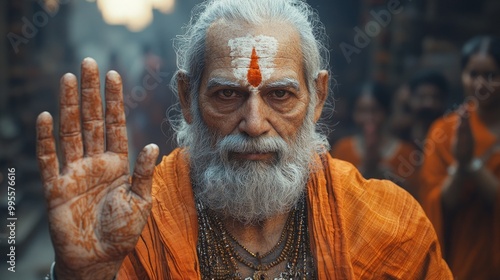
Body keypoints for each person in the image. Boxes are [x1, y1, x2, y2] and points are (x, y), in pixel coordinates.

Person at [36, 0, 452, 279]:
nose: (254, 123)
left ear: (317, 98)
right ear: (187, 98)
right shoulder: (137, 226)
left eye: (280, 95)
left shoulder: (389, 223)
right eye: (227, 95)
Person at [419, 35, 500, 279]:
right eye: (473, 74)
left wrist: (471, 164)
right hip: (456, 259)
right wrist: (462, 165)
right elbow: (436, 204)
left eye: (491, 76)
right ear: (462, 75)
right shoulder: (443, 131)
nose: (480, 84)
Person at [330, 82, 417, 195]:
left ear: (386, 112)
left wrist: (388, 176)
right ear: (353, 113)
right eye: (362, 111)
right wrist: (362, 172)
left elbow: (415, 197)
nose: (369, 118)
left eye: (375, 110)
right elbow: (333, 192)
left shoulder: (406, 152)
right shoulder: (343, 149)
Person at [407, 70, 449, 149]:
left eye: (435, 97)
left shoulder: (452, 137)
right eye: (422, 97)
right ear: (410, 98)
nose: (429, 104)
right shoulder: (401, 136)